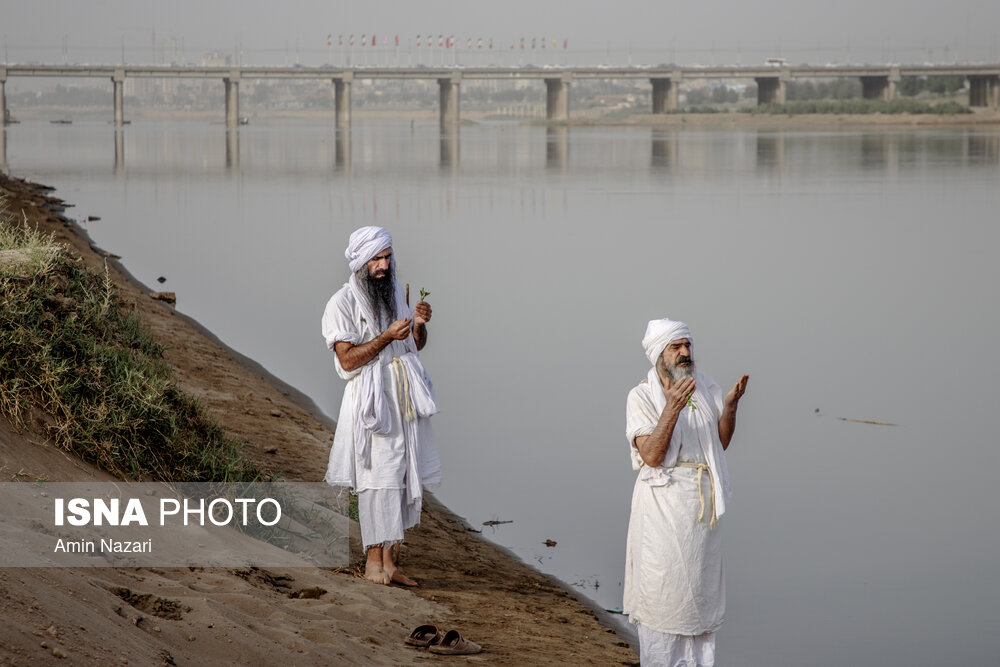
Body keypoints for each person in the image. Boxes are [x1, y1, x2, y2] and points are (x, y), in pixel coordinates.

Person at [623, 318, 749, 666]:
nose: (685, 353)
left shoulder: (703, 387)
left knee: (698, 599)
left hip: (701, 515)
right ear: (659, 354)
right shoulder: (640, 397)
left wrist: (730, 407)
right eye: (676, 347)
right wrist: (672, 407)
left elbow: (718, 444)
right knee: (663, 595)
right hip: (663, 512)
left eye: (687, 346)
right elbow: (651, 456)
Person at [322, 226, 441, 586]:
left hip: (402, 399)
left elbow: (413, 346)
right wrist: (386, 336)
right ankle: (373, 565)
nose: (384, 266)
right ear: (361, 262)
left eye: (387, 258)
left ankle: (390, 564)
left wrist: (418, 325)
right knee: (377, 478)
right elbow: (347, 361)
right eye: (376, 259)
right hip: (370, 402)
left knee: (401, 474)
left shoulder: (394, 295)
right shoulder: (340, 303)